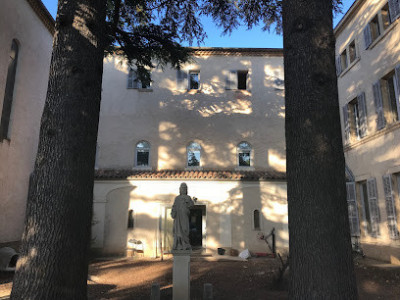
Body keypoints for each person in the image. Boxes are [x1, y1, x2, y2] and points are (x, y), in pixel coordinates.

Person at [171, 183, 197, 250]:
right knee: (178, 231)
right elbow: (174, 207)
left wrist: (188, 202)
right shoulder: (177, 198)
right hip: (178, 218)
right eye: (182, 188)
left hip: (185, 217)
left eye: (185, 188)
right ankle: (179, 245)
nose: (183, 190)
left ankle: (185, 244)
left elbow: (191, 205)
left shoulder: (188, 197)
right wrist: (173, 212)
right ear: (180, 189)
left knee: (185, 229)